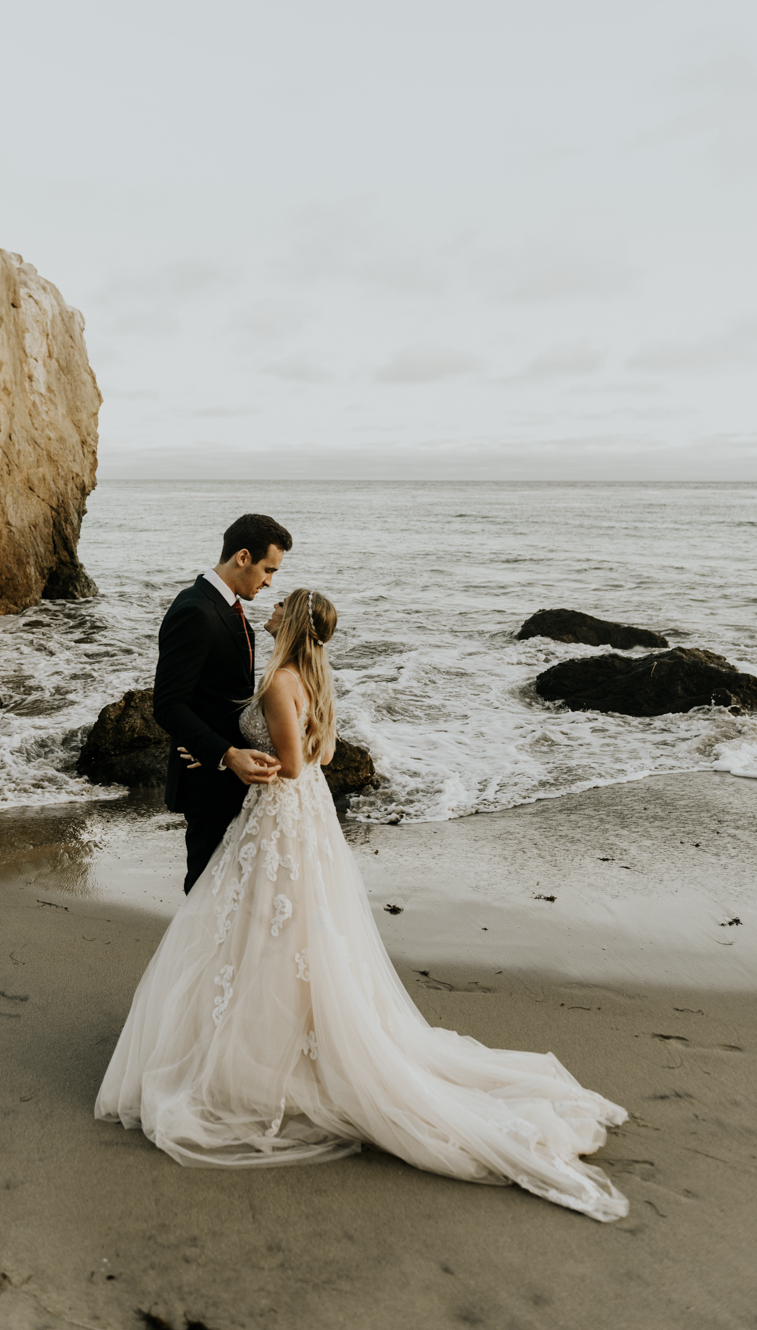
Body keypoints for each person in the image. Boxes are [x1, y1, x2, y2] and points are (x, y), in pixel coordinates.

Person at [97, 589, 629, 1222]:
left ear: (289, 622)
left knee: (269, 928)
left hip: (279, 815)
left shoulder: (278, 684)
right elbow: (321, 755)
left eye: (278, 605)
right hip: (304, 818)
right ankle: (283, 1033)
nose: (266, 610)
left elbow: (294, 764)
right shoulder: (314, 678)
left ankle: (268, 1050)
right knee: (291, 933)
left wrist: (243, 763)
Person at [152, 513, 293, 895]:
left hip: (232, 777)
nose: (269, 582)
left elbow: (221, 697)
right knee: (205, 895)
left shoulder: (228, 607)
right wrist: (224, 754)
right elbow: (167, 704)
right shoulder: (195, 610)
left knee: (231, 895)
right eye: (268, 569)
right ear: (243, 557)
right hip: (208, 784)